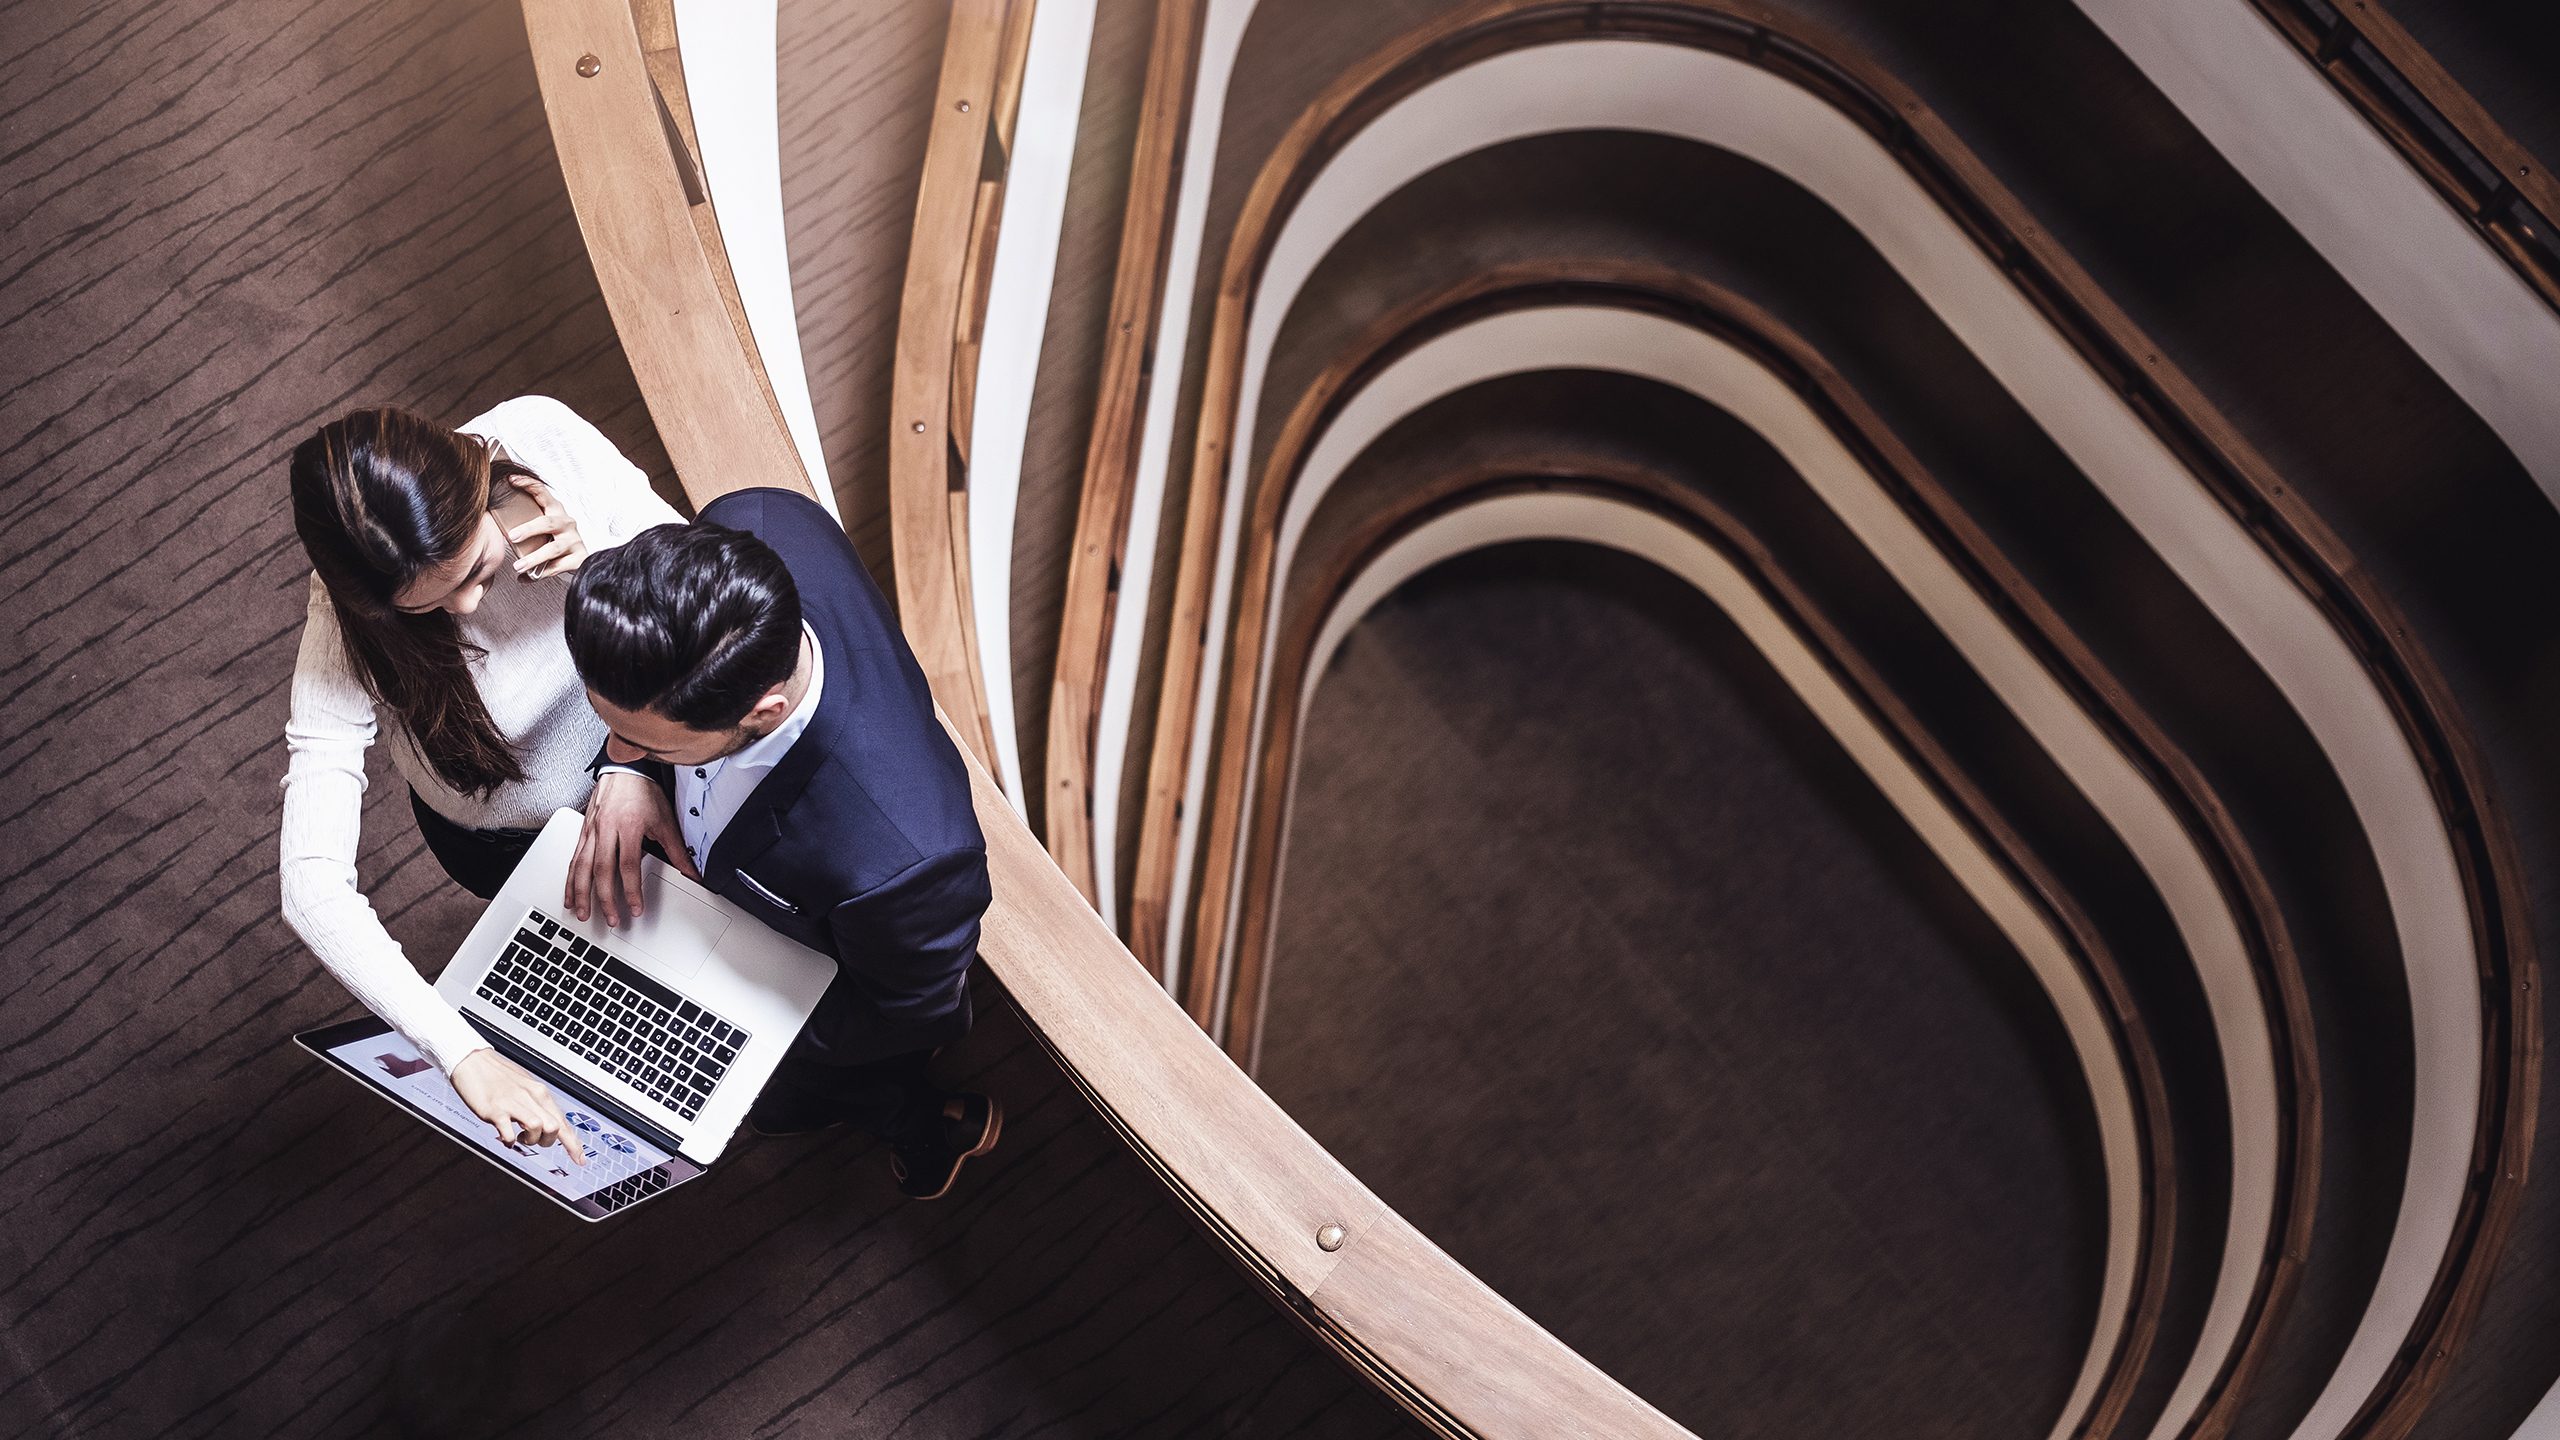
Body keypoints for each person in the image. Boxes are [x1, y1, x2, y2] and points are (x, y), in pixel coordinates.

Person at [560, 486, 1000, 1200]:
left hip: (804, 996)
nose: (614, 746)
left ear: (764, 711)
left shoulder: (905, 857)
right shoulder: (753, 518)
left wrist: (728, 1020)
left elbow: (903, 1011)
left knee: (783, 1103)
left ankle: (907, 1116)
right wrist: (627, 770)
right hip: (725, 902)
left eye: (644, 741)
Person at [279, 398, 683, 1163]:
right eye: (425, 609)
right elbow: (309, 883)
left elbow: (709, 589)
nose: (465, 609)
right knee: (633, 973)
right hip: (499, 839)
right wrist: (459, 1053)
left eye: (474, 572)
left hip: (651, 743)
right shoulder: (346, 618)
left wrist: (605, 557)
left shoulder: (543, 435)